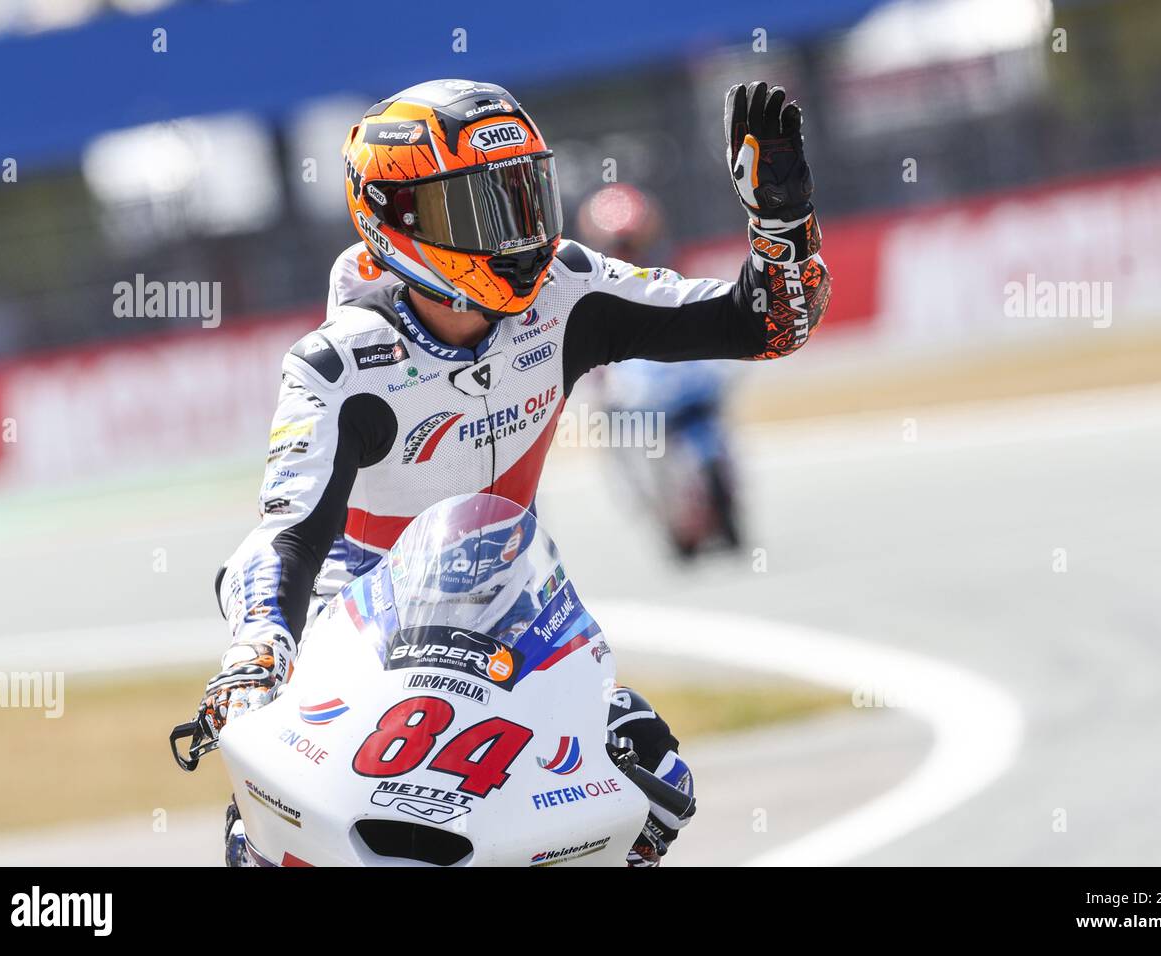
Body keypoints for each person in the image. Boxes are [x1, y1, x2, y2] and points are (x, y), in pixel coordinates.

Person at [203, 78, 830, 866]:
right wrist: (257, 656)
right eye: (481, 209)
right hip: (352, 647)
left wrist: (782, 221)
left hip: (510, 627)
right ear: (398, 219)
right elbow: (285, 538)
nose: (520, 233)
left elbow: (768, 322)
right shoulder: (337, 365)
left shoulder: (568, 292)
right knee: (273, 829)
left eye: (526, 196)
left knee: (652, 781)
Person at [576, 183, 743, 559]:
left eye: (632, 242)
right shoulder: (587, 287)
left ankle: (721, 485)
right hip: (631, 388)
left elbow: (693, 310)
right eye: (619, 245)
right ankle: (651, 503)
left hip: (677, 373)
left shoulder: (668, 272)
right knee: (614, 434)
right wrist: (600, 382)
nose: (627, 252)